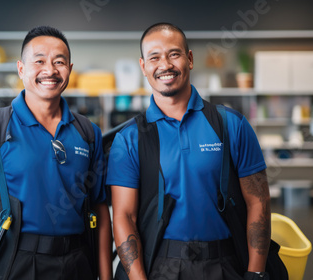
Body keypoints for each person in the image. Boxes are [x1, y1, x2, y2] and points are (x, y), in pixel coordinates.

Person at [0, 26, 112, 280]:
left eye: (60, 62)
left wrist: (105, 276)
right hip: (15, 262)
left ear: (70, 68)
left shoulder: (89, 134)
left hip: (78, 263)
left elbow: (100, 209)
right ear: (21, 69)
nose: (50, 70)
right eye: (39, 61)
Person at [107, 22, 271, 280]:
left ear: (190, 59)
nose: (165, 65)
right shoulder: (129, 139)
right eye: (154, 57)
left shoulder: (232, 125)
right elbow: (124, 216)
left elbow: (258, 201)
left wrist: (256, 272)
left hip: (226, 265)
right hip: (160, 266)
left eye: (174, 54)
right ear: (143, 67)